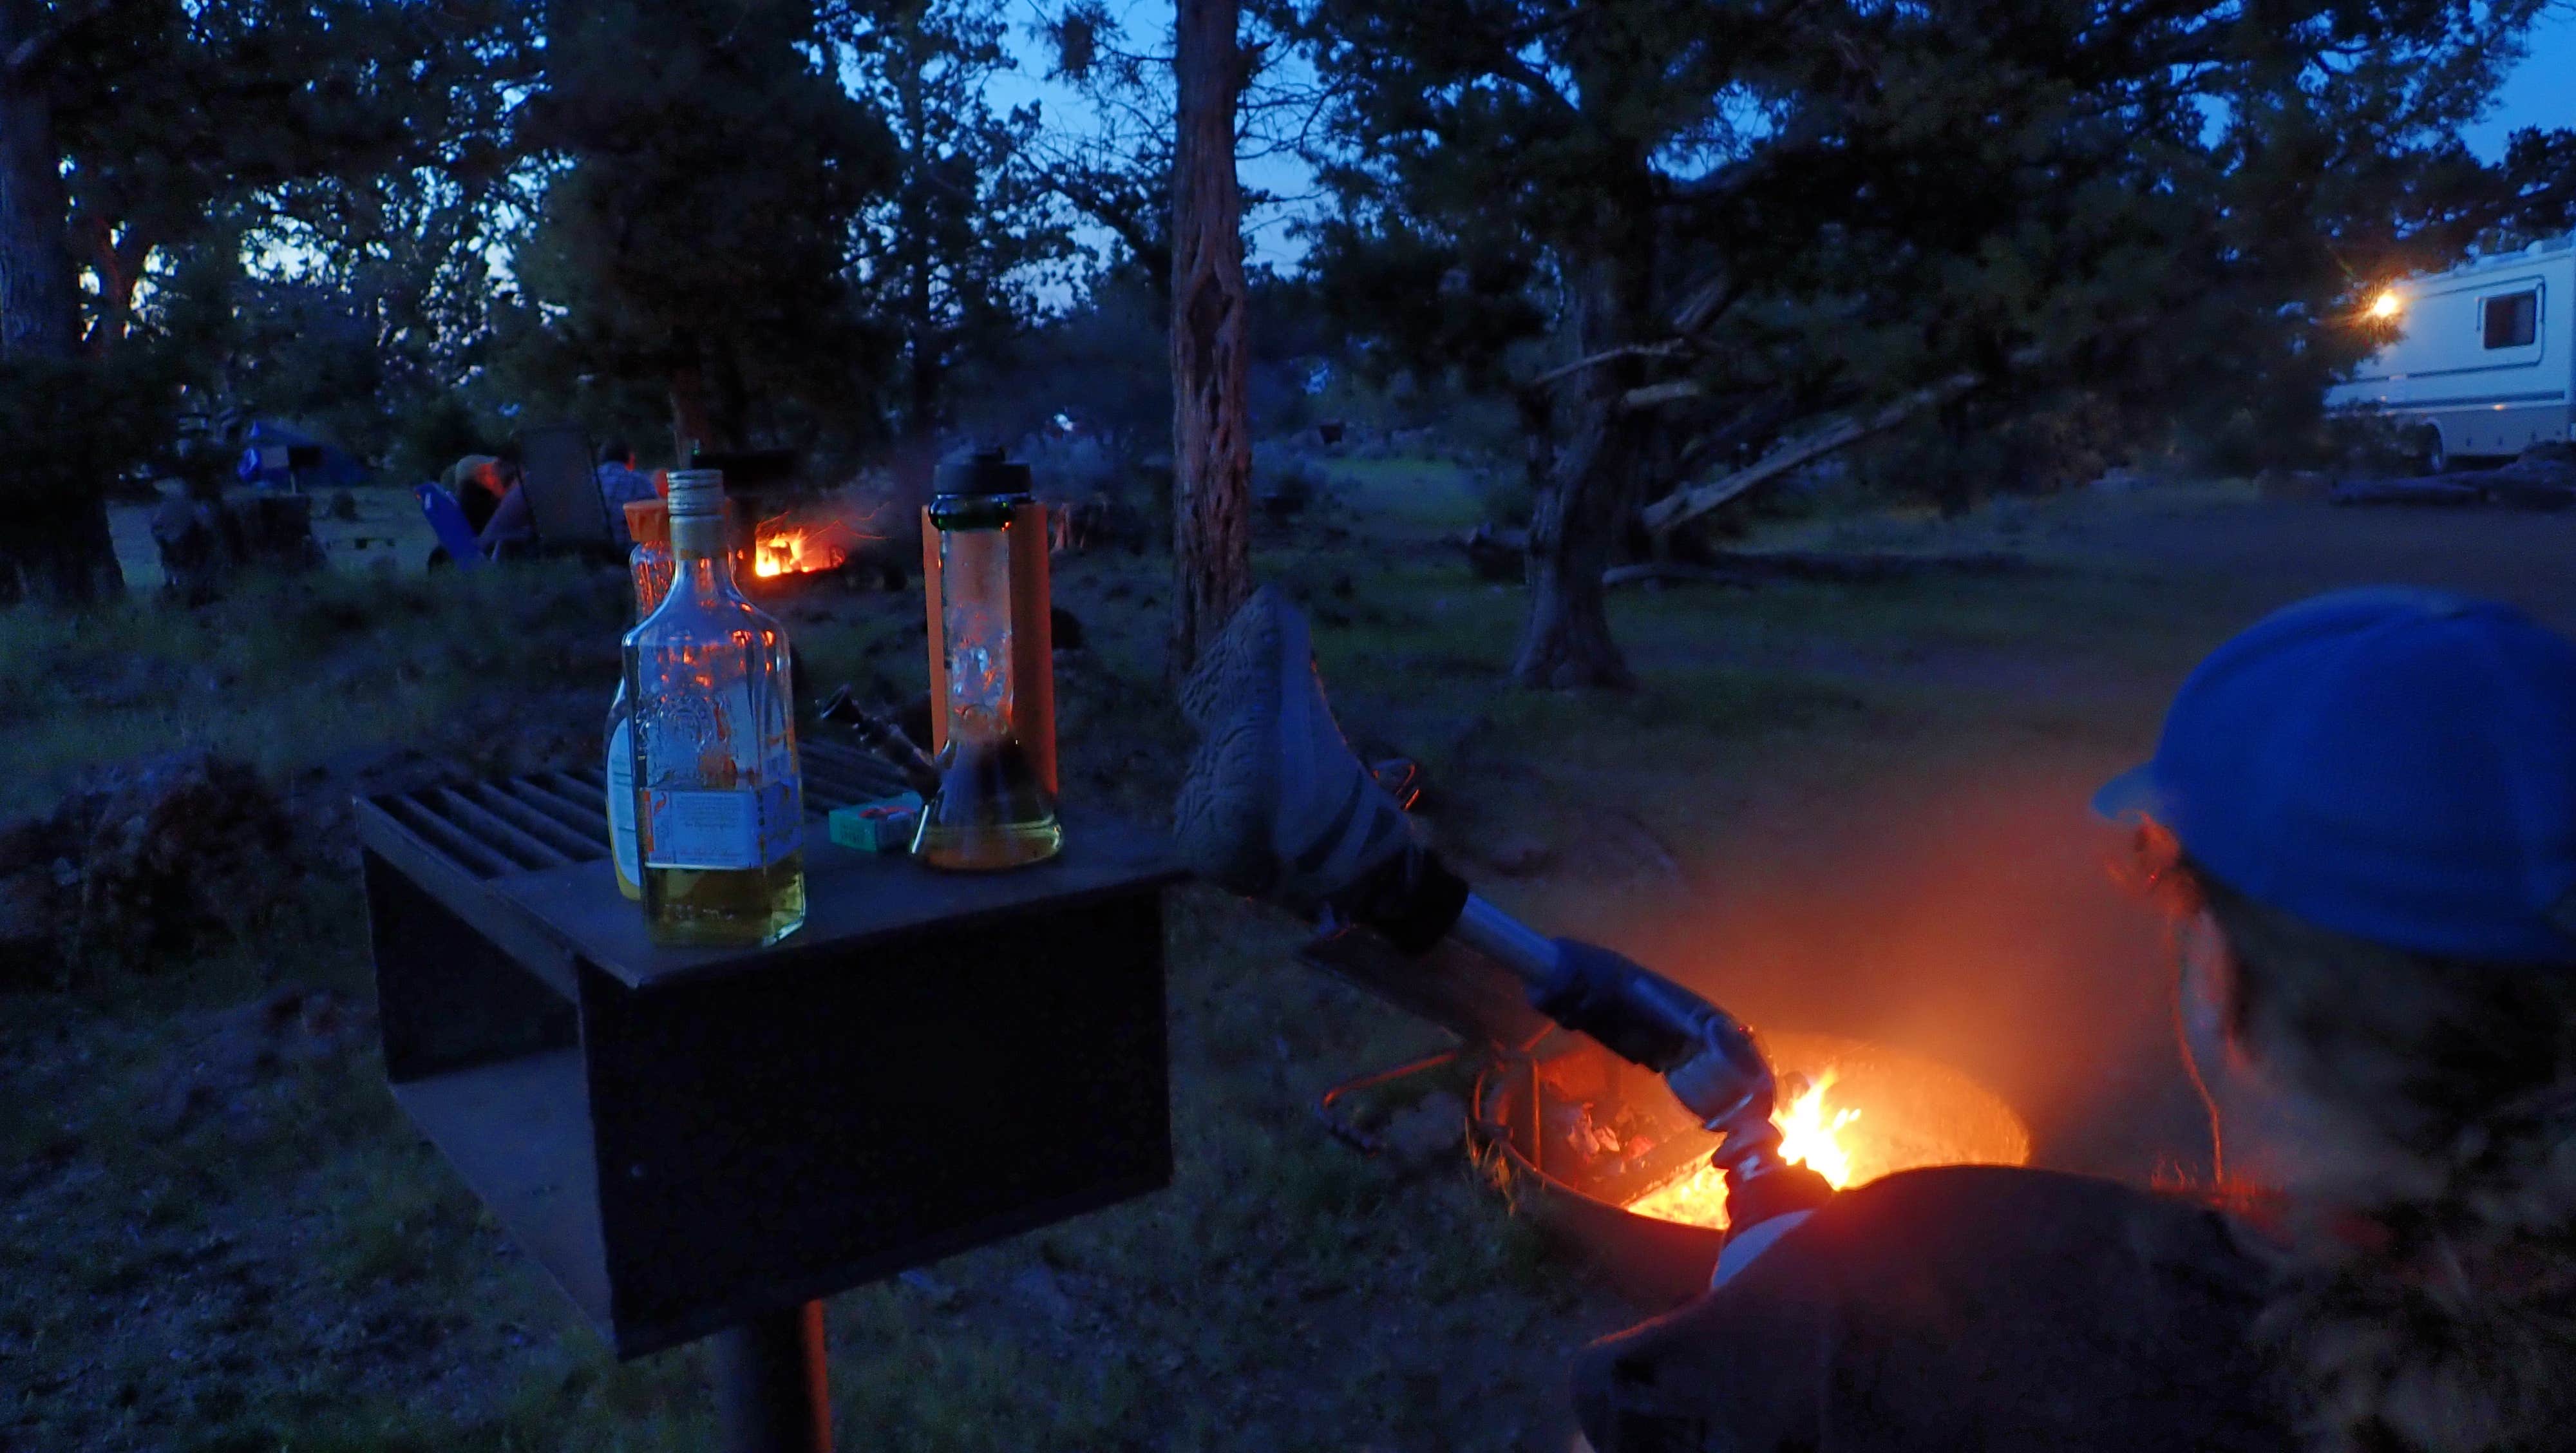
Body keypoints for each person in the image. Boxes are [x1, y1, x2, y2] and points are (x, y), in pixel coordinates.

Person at [1171, 585, 2576, 1453]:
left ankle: (1356, 864)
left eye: (2172, 893)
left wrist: (1812, 1292)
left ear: (2230, 978)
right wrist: (1776, 1201)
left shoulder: (1966, 1285)